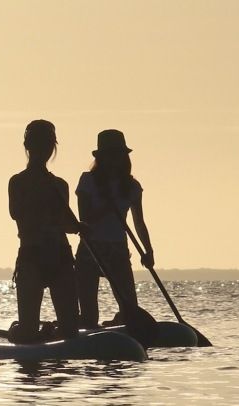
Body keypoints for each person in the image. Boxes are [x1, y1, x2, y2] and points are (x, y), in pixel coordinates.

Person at [8, 120, 83, 343]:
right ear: (28, 146)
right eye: (40, 144)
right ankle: (24, 332)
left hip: (60, 256)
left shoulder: (60, 185)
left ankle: (51, 333)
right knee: (28, 331)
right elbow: (18, 215)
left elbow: (65, 224)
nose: (45, 150)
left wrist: (79, 227)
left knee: (71, 331)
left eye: (49, 144)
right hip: (32, 257)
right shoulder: (18, 182)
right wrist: (40, 195)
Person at [75, 129, 155, 328]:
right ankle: (87, 330)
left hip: (117, 249)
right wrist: (106, 208)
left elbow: (139, 221)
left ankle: (120, 325)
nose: (115, 160)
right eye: (110, 155)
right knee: (89, 315)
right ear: (101, 157)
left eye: (119, 155)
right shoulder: (87, 181)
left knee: (130, 308)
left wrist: (148, 250)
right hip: (90, 250)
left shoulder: (132, 187)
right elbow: (83, 220)